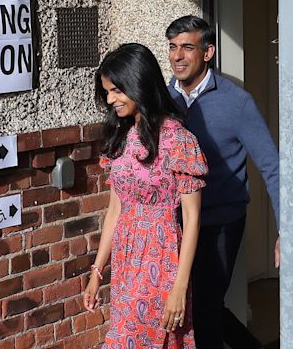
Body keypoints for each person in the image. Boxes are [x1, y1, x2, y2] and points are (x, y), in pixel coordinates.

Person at [165, 15, 280, 349]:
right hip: (174, 224)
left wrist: (286, 229)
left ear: (208, 52)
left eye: (187, 47)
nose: (177, 56)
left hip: (220, 223)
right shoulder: (162, 100)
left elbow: (272, 167)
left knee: (203, 307)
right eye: (172, 47)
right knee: (195, 305)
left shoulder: (237, 102)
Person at [83, 43, 208, 348]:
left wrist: (179, 287)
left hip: (162, 258)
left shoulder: (179, 140)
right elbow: (115, 210)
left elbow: (192, 220)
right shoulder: (121, 137)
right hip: (126, 261)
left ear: (138, 84)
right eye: (107, 92)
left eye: (116, 91)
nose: (111, 100)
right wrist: (98, 271)